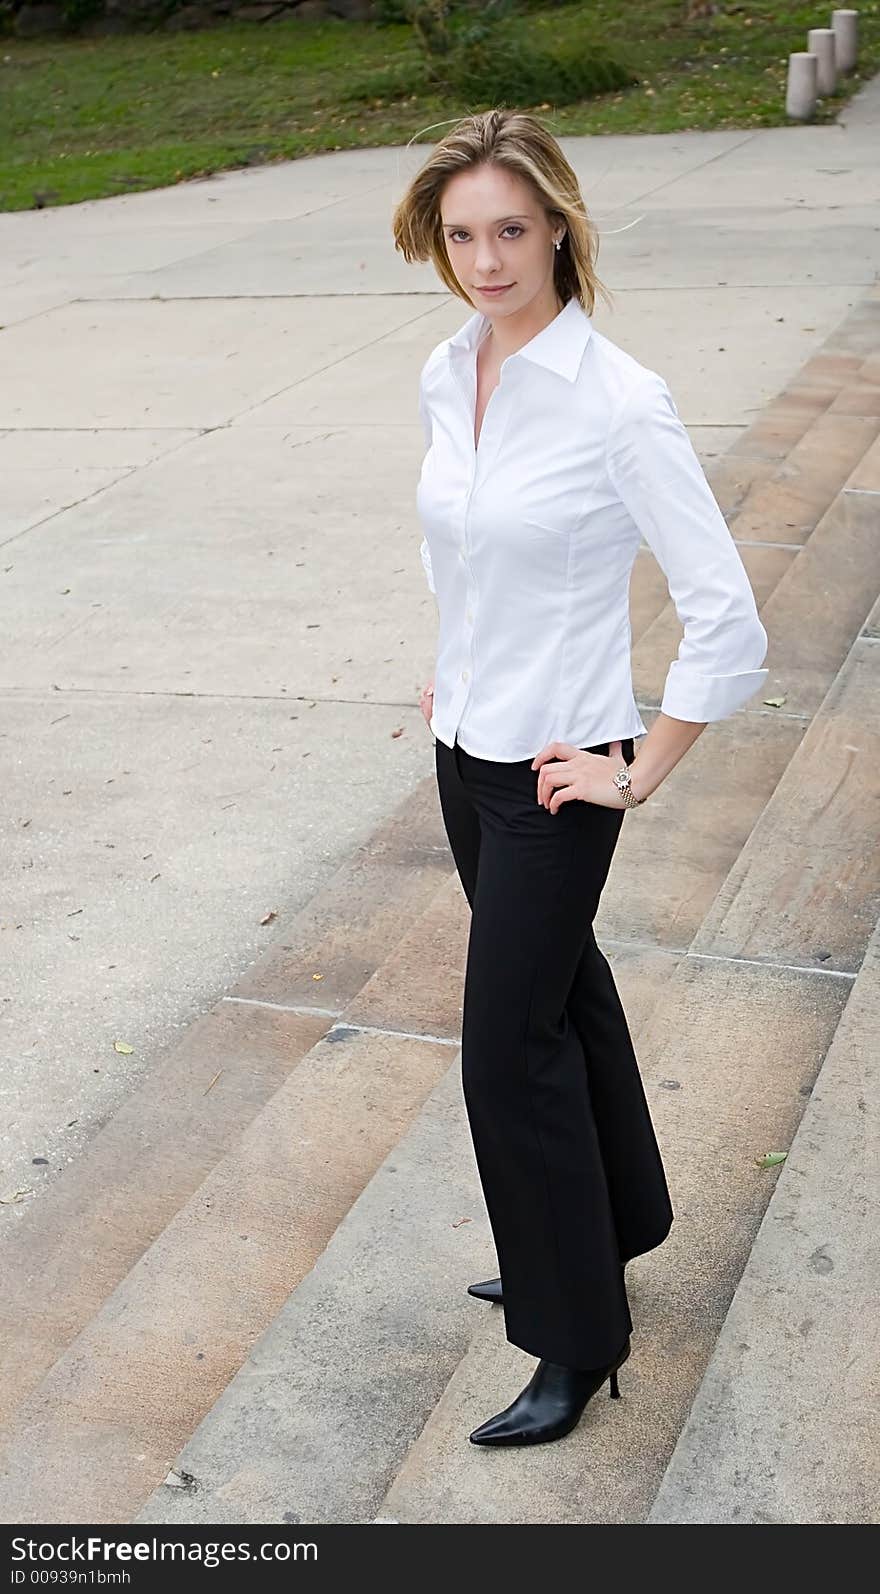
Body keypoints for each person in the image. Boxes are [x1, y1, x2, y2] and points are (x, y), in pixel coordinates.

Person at [390, 109, 769, 1448]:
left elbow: (729, 614)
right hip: (468, 754)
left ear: (558, 226)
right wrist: (456, 668)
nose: (488, 260)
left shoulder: (620, 401)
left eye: (510, 229)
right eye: (462, 235)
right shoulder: (453, 368)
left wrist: (642, 769)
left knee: (507, 1051)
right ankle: (615, 1219)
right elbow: (464, 544)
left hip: (565, 773)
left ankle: (576, 1330)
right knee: (562, 989)